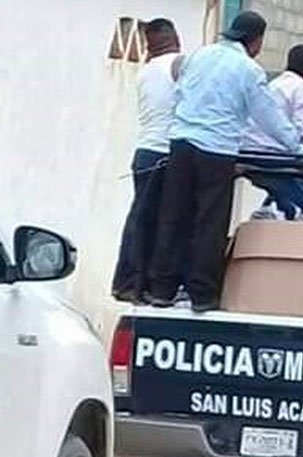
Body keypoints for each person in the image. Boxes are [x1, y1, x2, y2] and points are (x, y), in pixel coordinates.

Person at [147, 11, 303, 312]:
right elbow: (267, 114)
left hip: (180, 144)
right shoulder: (248, 69)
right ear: (256, 41)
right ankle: (203, 294)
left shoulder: (198, 56)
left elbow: (180, 92)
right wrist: (296, 147)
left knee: (173, 217)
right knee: (210, 222)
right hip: (216, 151)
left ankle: (162, 289)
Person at [111, 18, 181, 303]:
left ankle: (128, 282)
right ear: (174, 38)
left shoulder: (146, 72)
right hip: (166, 154)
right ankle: (149, 285)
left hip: (145, 153)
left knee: (140, 219)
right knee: (163, 223)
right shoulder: (180, 65)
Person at [243, 44, 303, 220]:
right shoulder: (302, 87)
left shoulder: (273, 85)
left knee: (286, 193)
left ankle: (270, 215)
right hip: (275, 158)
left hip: (249, 153)